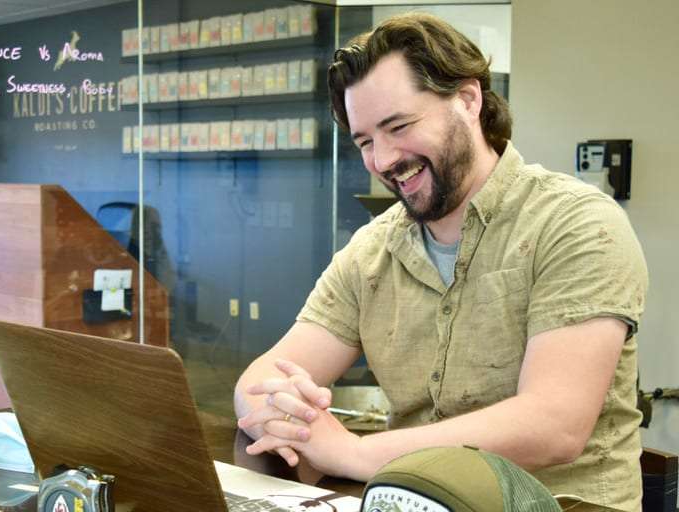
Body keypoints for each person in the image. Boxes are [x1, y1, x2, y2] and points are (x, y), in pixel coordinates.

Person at [234, 12, 647, 511]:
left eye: (399, 126)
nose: (383, 160)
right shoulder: (373, 251)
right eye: (365, 141)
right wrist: (275, 412)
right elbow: (263, 379)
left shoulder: (575, 224)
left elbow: (554, 424)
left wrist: (352, 453)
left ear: (468, 100)